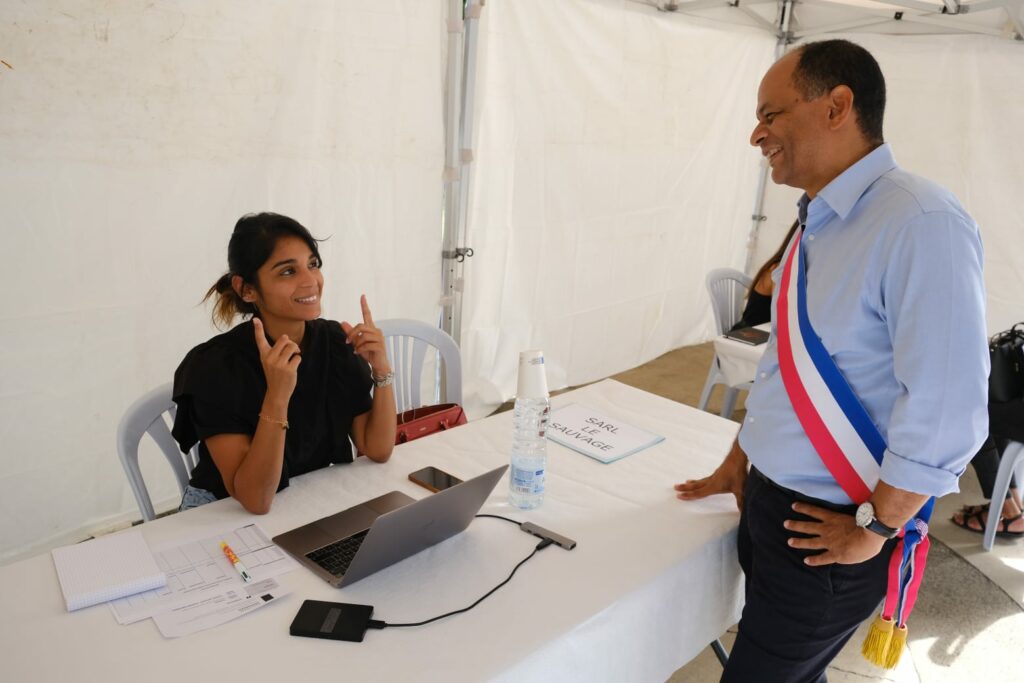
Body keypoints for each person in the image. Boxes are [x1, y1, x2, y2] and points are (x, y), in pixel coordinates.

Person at [674, 40, 988, 681]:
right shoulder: (821, 216)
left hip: (837, 526)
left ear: (837, 105)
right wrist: (742, 460)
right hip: (773, 502)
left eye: (770, 114)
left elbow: (948, 404)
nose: (755, 134)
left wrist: (875, 528)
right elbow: (786, 368)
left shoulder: (920, 222)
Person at [171, 212, 397, 514]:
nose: (310, 281)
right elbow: (255, 499)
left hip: (303, 496)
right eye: (288, 272)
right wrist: (277, 396)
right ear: (247, 289)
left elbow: (378, 448)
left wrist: (382, 370)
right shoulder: (215, 366)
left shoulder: (333, 342)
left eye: (312, 264)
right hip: (220, 512)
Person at [731, 220, 800, 331]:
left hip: (765, 333)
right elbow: (782, 314)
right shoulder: (779, 268)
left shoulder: (791, 266)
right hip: (750, 333)